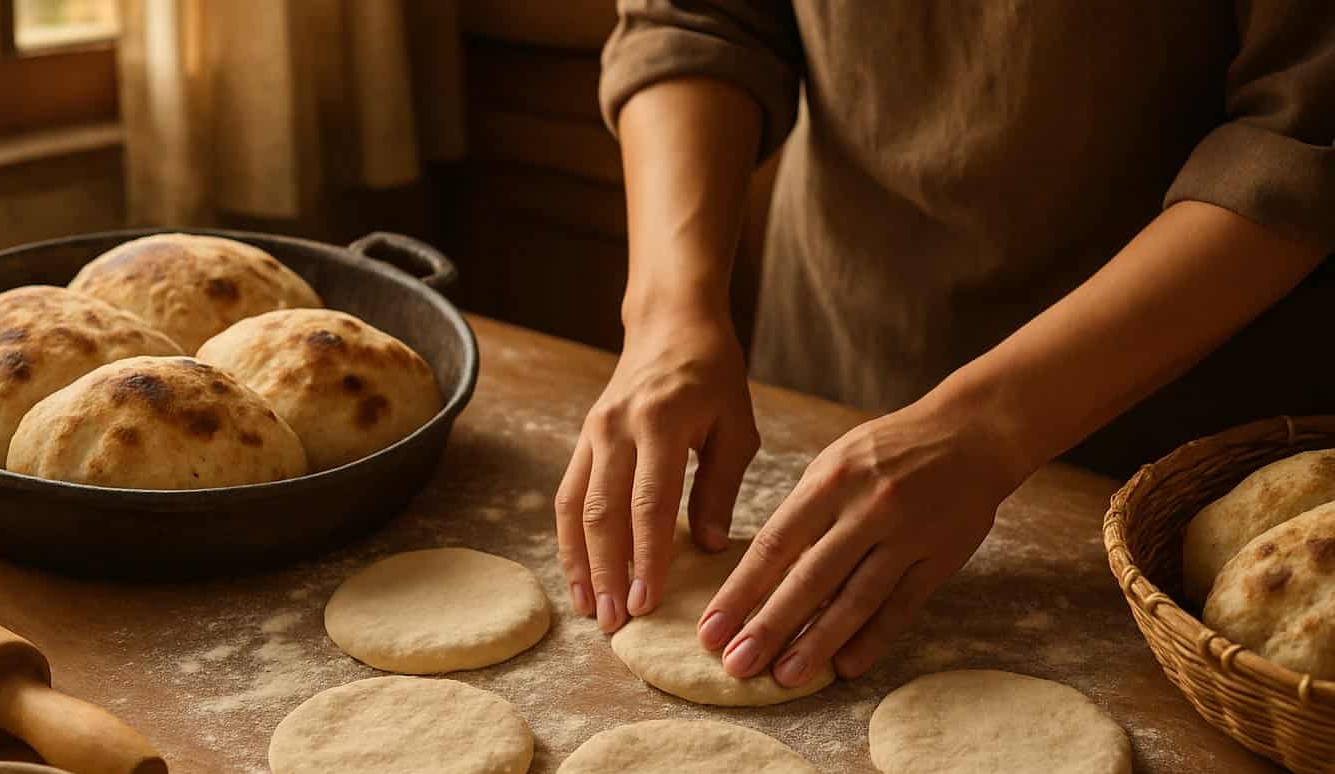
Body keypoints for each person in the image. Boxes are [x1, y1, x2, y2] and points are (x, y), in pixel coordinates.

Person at [555, 2, 1335, 687]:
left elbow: (1300, 134)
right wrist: (669, 313)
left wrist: (993, 423)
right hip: (833, 347)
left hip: (1167, 440)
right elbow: (699, 16)